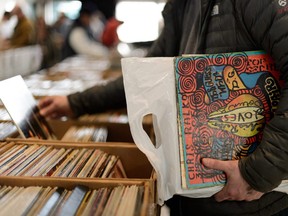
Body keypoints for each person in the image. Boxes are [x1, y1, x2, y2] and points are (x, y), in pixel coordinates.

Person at [38, 0, 288, 215]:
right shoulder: (181, 6)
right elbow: (143, 78)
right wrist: (75, 103)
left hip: (254, 203)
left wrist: (256, 174)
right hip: (193, 198)